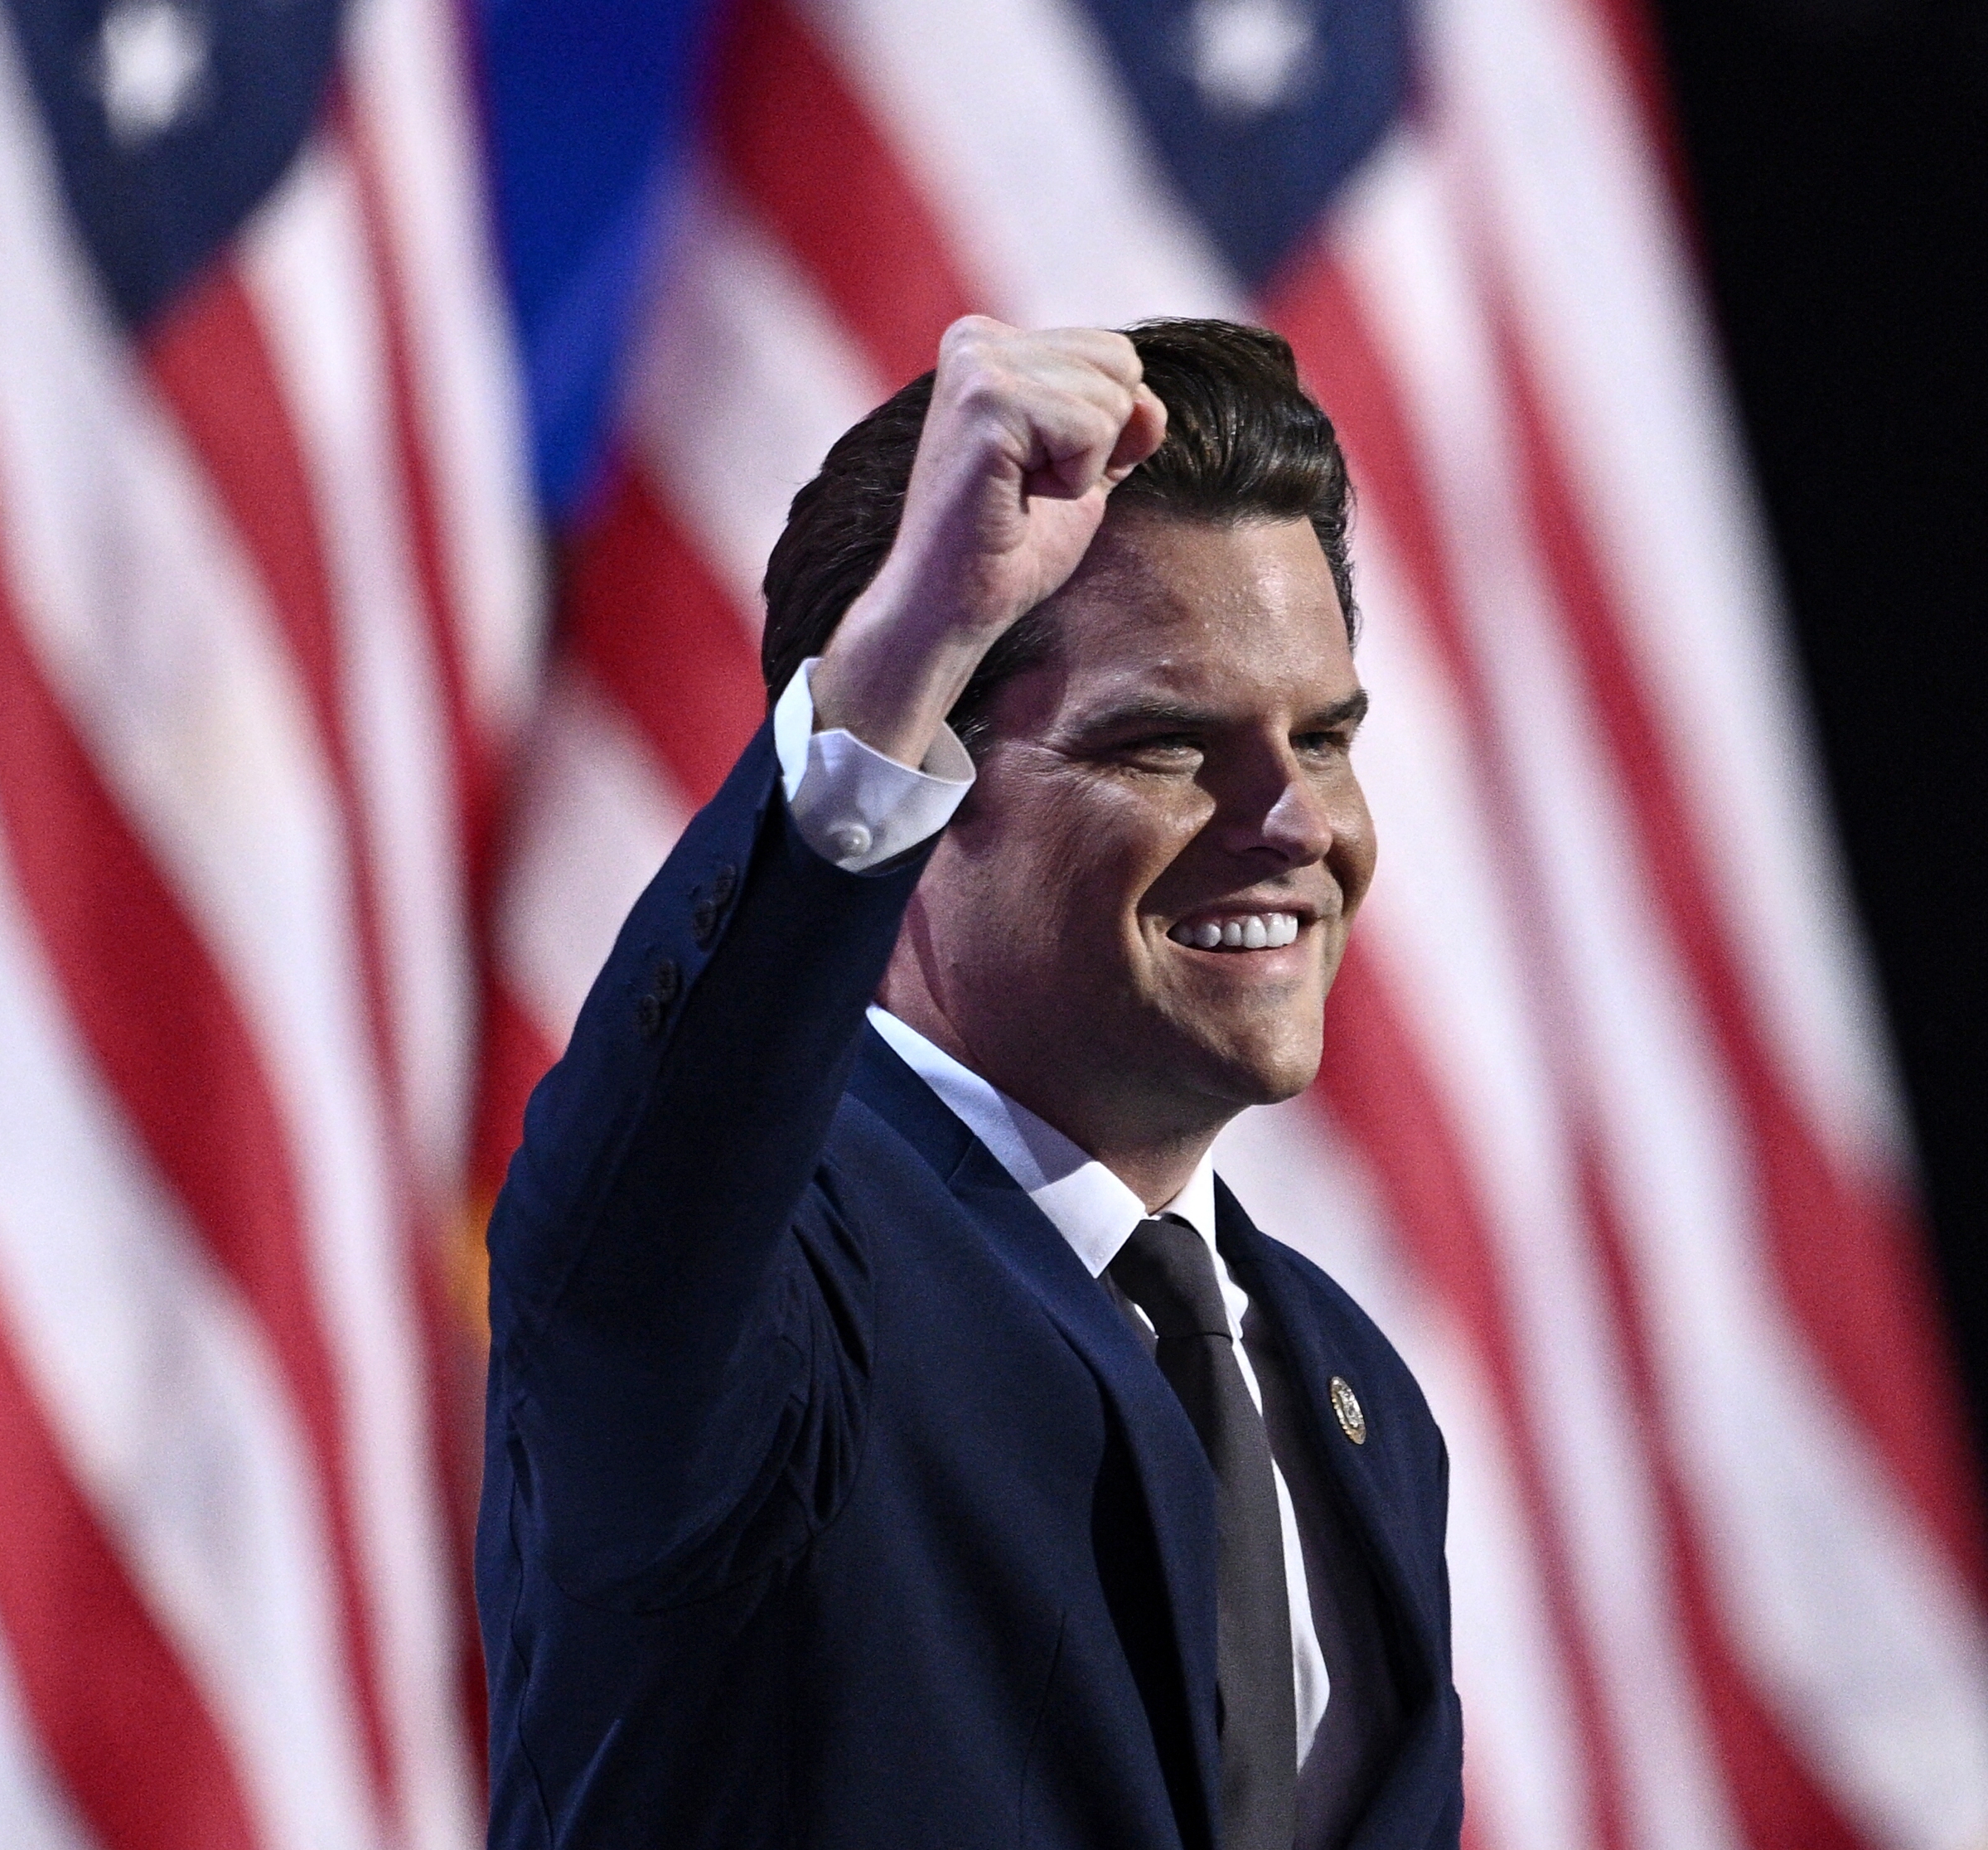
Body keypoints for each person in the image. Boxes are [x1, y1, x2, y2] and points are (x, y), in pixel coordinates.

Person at [478, 316, 1461, 1849]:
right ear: (927, 798)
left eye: (1323, 737)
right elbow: (628, 1238)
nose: (1290, 820)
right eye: (1166, 749)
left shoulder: (1355, 1396)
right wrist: (894, 666)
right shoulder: (778, 1290)